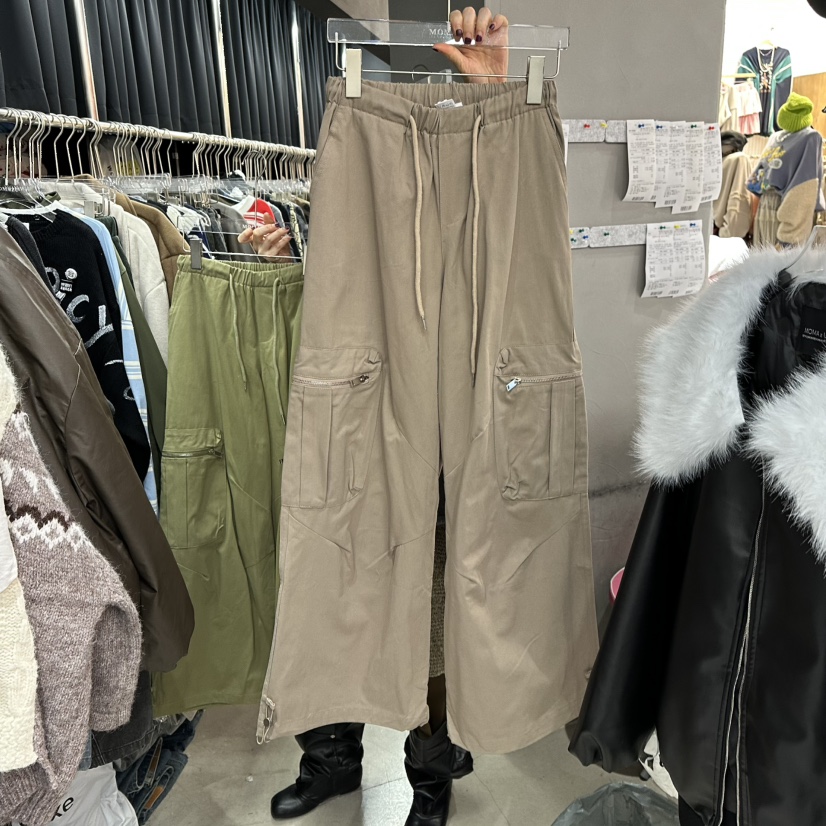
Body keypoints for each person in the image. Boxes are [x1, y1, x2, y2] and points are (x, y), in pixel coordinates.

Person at [240, 9, 510, 825]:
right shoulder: (346, 134)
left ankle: (430, 774)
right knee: (334, 570)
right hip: (353, 387)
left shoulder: (472, 137)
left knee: (432, 597)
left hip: (434, 385)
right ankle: (331, 758)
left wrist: (489, 91)